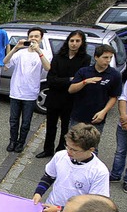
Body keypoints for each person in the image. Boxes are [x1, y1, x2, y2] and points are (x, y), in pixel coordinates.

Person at [30, 123, 109, 212]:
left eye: (74, 149)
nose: (68, 152)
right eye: (67, 146)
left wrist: (59, 210)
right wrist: (38, 193)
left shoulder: (99, 172)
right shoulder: (61, 156)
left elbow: (94, 206)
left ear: (91, 149)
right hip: (50, 211)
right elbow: (49, 176)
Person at [38, 30, 91, 158]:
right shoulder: (58, 57)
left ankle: (61, 150)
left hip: (71, 99)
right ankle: (48, 149)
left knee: (66, 128)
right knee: (51, 125)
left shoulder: (85, 59)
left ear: (82, 43)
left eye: (77, 41)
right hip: (54, 97)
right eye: (72, 41)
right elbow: (51, 80)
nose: (74, 44)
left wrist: (67, 81)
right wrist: (69, 80)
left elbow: (79, 80)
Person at [3, 26, 51, 153]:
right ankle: (12, 140)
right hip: (16, 92)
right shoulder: (20, 53)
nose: (33, 39)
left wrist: (38, 51)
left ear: (41, 39)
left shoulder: (44, 53)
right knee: (13, 120)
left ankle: (21, 142)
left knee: (26, 122)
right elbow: (5, 62)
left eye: (36, 36)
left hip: (30, 93)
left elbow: (47, 68)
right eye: (31, 36)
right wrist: (15, 48)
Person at [68, 44, 122, 150]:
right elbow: (71, 89)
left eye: (110, 57)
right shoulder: (84, 71)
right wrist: (85, 82)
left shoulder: (114, 75)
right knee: (73, 145)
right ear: (96, 57)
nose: (108, 60)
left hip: (97, 119)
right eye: (105, 57)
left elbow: (114, 97)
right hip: (78, 116)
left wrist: (103, 112)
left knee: (92, 148)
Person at [109, 71, 127, 194]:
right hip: (124, 122)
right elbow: (123, 97)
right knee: (120, 151)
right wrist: (124, 117)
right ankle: (115, 175)